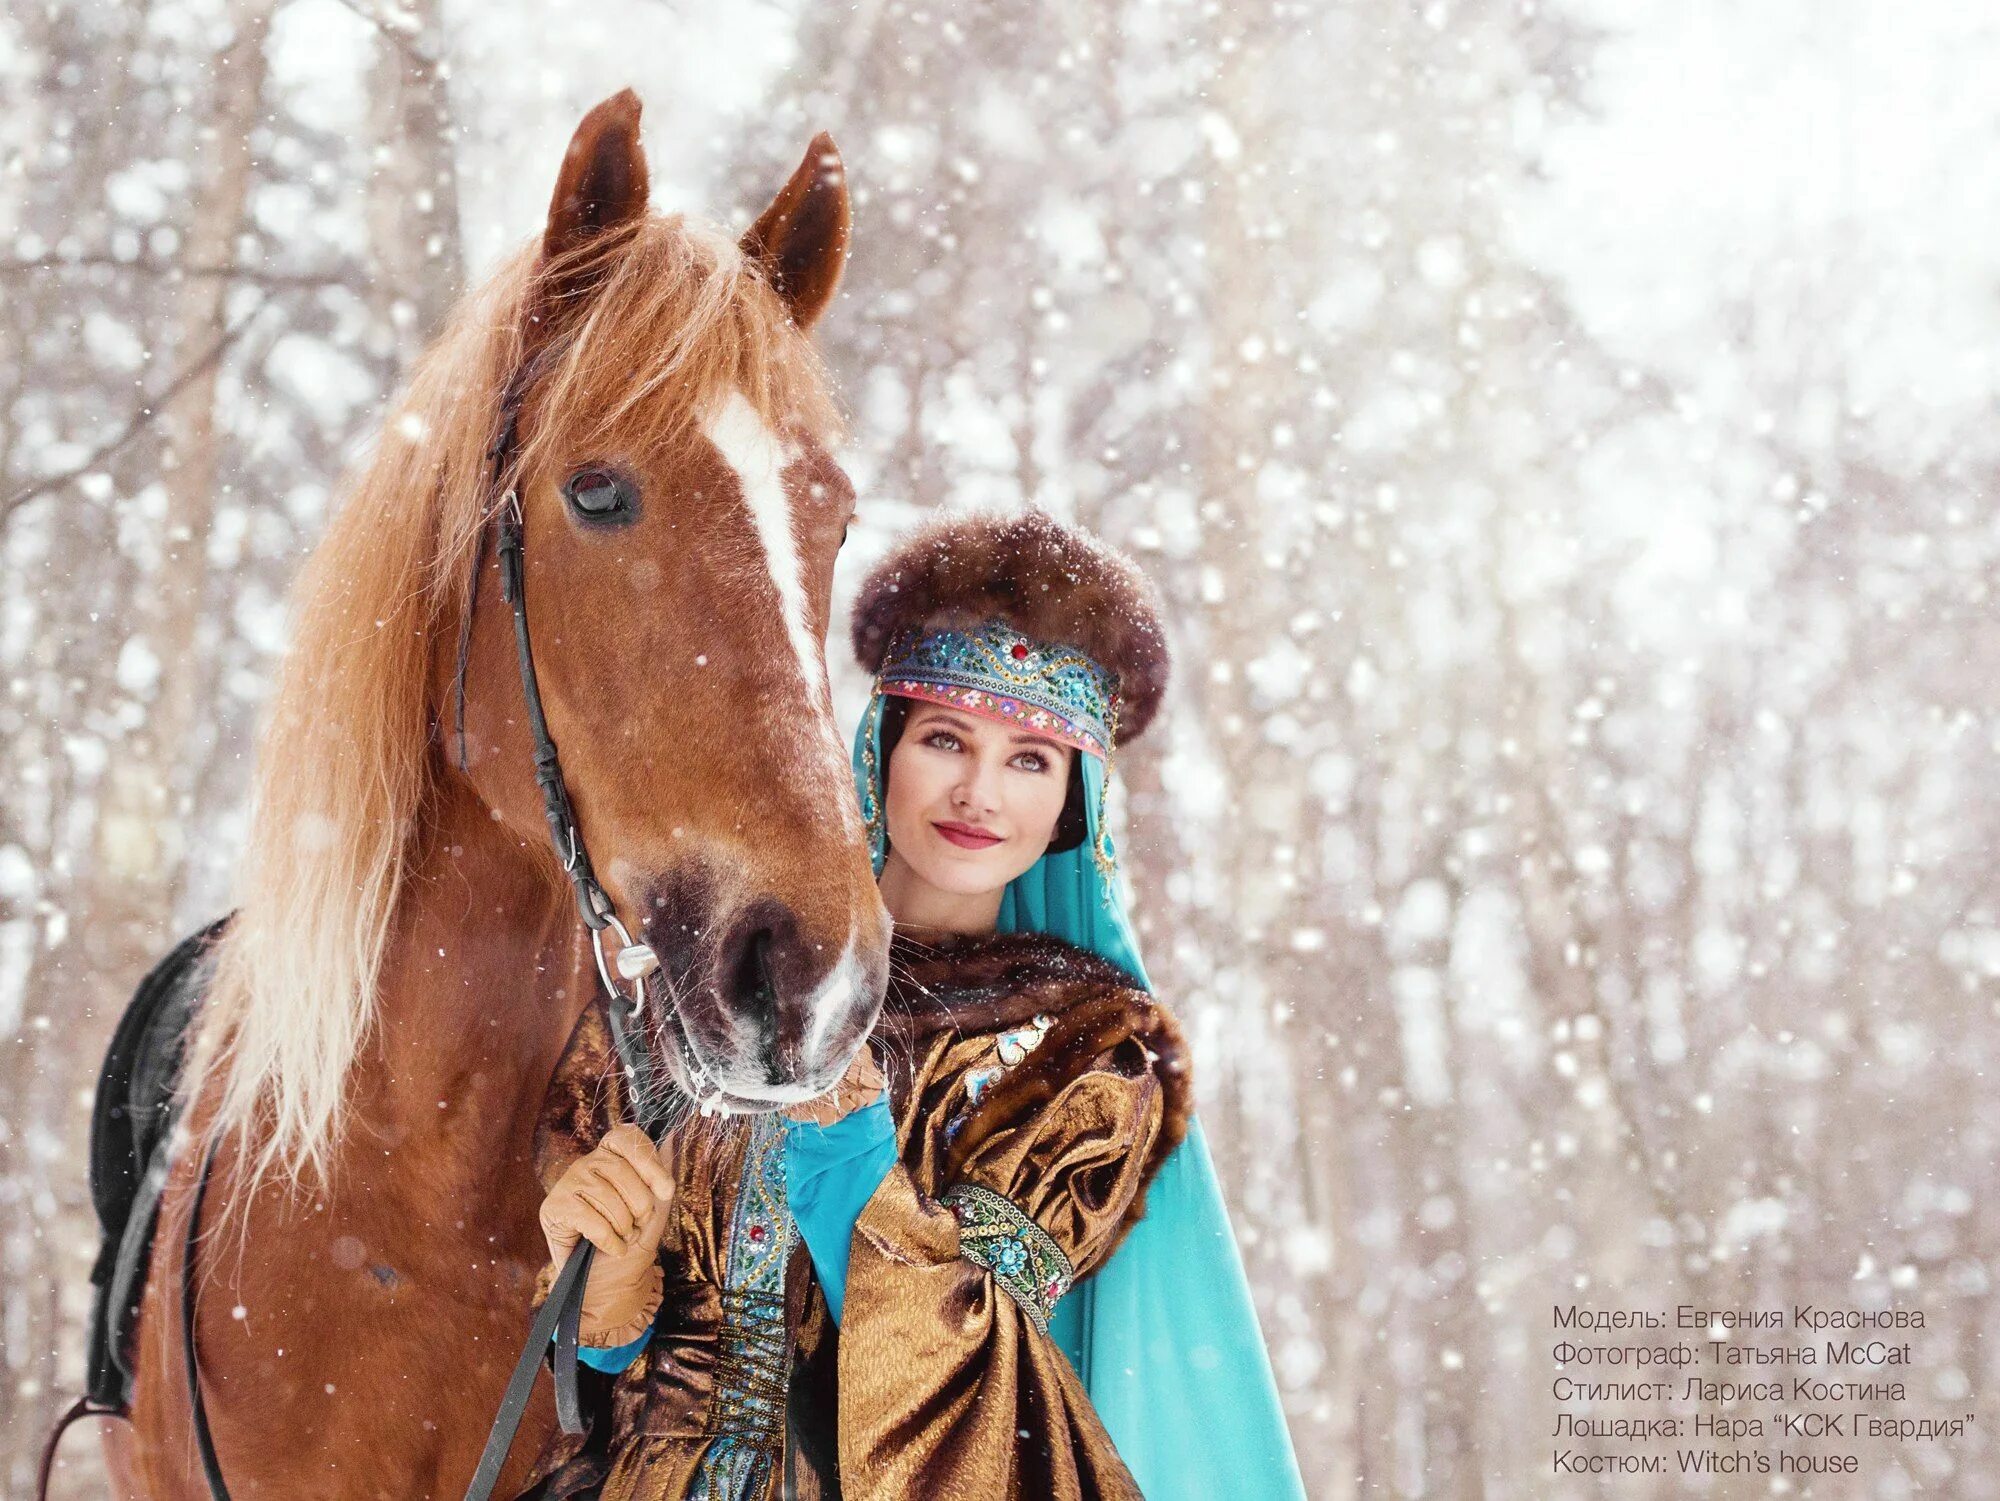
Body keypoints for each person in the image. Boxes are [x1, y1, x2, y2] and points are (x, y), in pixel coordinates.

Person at [527, 511, 1305, 1500]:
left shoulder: (1092, 1055)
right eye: (945, 738)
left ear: (1073, 805)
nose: (979, 791)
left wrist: (846, 1142)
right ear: (879, 746)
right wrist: (609, 1288)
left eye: (1029, 758)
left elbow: (979, 1397)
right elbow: (568, 1373)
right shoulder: (704, 976)